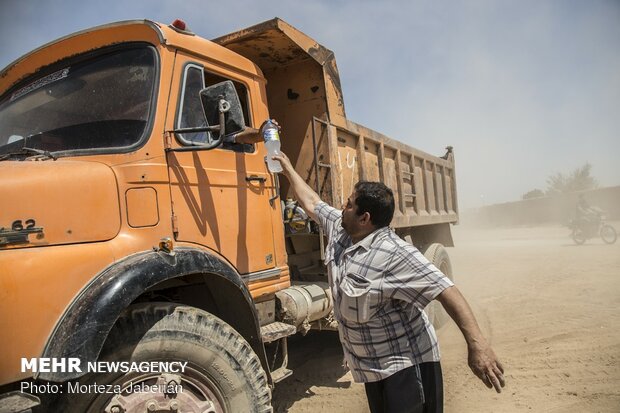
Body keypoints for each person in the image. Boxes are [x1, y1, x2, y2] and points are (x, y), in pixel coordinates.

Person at [272, 151, 505, 413]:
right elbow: (313, 203)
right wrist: (287, 167)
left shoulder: (395, 254)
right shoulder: (341, 229)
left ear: (365, 218)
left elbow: (446, 290)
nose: (342, 208)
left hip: (407, 367)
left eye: (349, 205)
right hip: (373, 369)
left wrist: (478, 346)